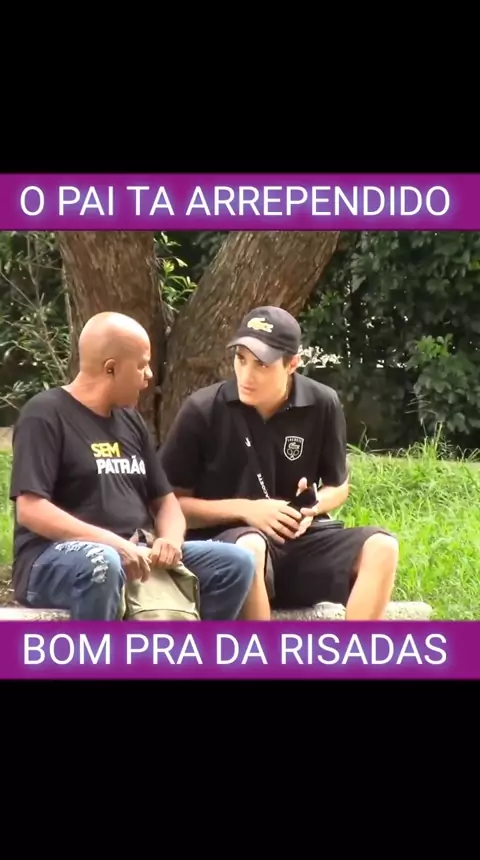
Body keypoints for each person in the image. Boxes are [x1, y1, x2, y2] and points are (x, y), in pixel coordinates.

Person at [9, 311, 255, 621]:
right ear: (110, 368)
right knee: (103, 564)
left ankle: (188, 649)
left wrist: (170, 541)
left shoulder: (130, 421)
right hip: (56, 557)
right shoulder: (44, 414)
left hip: (137, 549)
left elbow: (165, 502)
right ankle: (98, 653)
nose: (149, 375)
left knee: (235, 563)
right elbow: (31, 510)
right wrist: (113, 543)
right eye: (141, 365)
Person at [158, 305, 399, 621]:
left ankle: (355, 651)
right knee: (250, 548)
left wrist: (312, 506)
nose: (246, 375)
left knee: (382, 547)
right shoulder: (203, 409)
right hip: (230, 545)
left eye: (261, 364)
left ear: (292, 364)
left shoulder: (322, 403)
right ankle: (264, 652)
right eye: (240, 359)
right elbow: (167, 505)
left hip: (298, 541)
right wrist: (246, 510)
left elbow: (338, 486)